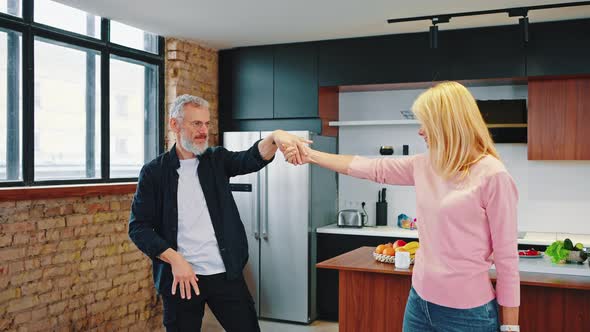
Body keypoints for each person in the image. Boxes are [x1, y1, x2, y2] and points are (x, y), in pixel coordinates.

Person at [285, 81, 520, 332]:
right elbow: (370, 168)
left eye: (425, 123)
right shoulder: (425, 165)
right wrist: (310, 155)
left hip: (468, 315)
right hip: (419, 304)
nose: (421, 132)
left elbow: (507, 261)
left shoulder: (493, 175)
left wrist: (510, 327)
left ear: (447, 124)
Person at [128, 94, 308, 332]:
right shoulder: (154, 173)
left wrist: (275, 136)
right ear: (175, 125)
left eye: (207, 123)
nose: (204, 130)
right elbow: (138, 227)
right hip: (181, 279)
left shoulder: (217, 159)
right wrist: (175, 259)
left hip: (226, 274)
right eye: (196, 124)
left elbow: (250, 158)